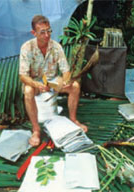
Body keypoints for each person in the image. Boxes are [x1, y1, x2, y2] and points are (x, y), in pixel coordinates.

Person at [19, 15, 88, 147]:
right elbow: (23, 76)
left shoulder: (56, 47)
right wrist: (36, 84)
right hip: (35, 82)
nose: (47, 35)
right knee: (28, 90)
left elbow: (65, 70)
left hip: (52, 81)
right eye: (42, 32)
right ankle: (36, 130)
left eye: (49, 31)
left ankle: (73, 119)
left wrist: (66, 80)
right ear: (34, 33)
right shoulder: (27, 48)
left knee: (74, 86)